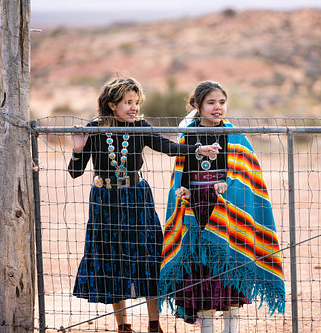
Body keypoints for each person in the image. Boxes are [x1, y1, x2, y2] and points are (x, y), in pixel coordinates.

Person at [67, 77, 221, 333]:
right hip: (104, 203)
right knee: (112, 259)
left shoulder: (140, 127)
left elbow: (170, 147)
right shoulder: (93, 129)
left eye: (136, 102)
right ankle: (123, 326)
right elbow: (74, 172)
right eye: (128, 102)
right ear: (111, 104)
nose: (134, 107)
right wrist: (78, 149)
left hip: (137, 198)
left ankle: (153, 323)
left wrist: (199, 149)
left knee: (148, 256)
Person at [158, 81, 286, 333]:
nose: (218, 108)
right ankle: (206, 328)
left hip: (230, 214)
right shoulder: (188, 134)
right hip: (196, 213)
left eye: (222, 102)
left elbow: (247, 176)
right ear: (197, 105)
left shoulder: (235, 136)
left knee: (231, 277)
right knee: (200, 276)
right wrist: (181, 190)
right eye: (211, 103)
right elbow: (181, 173)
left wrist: (230, 186)